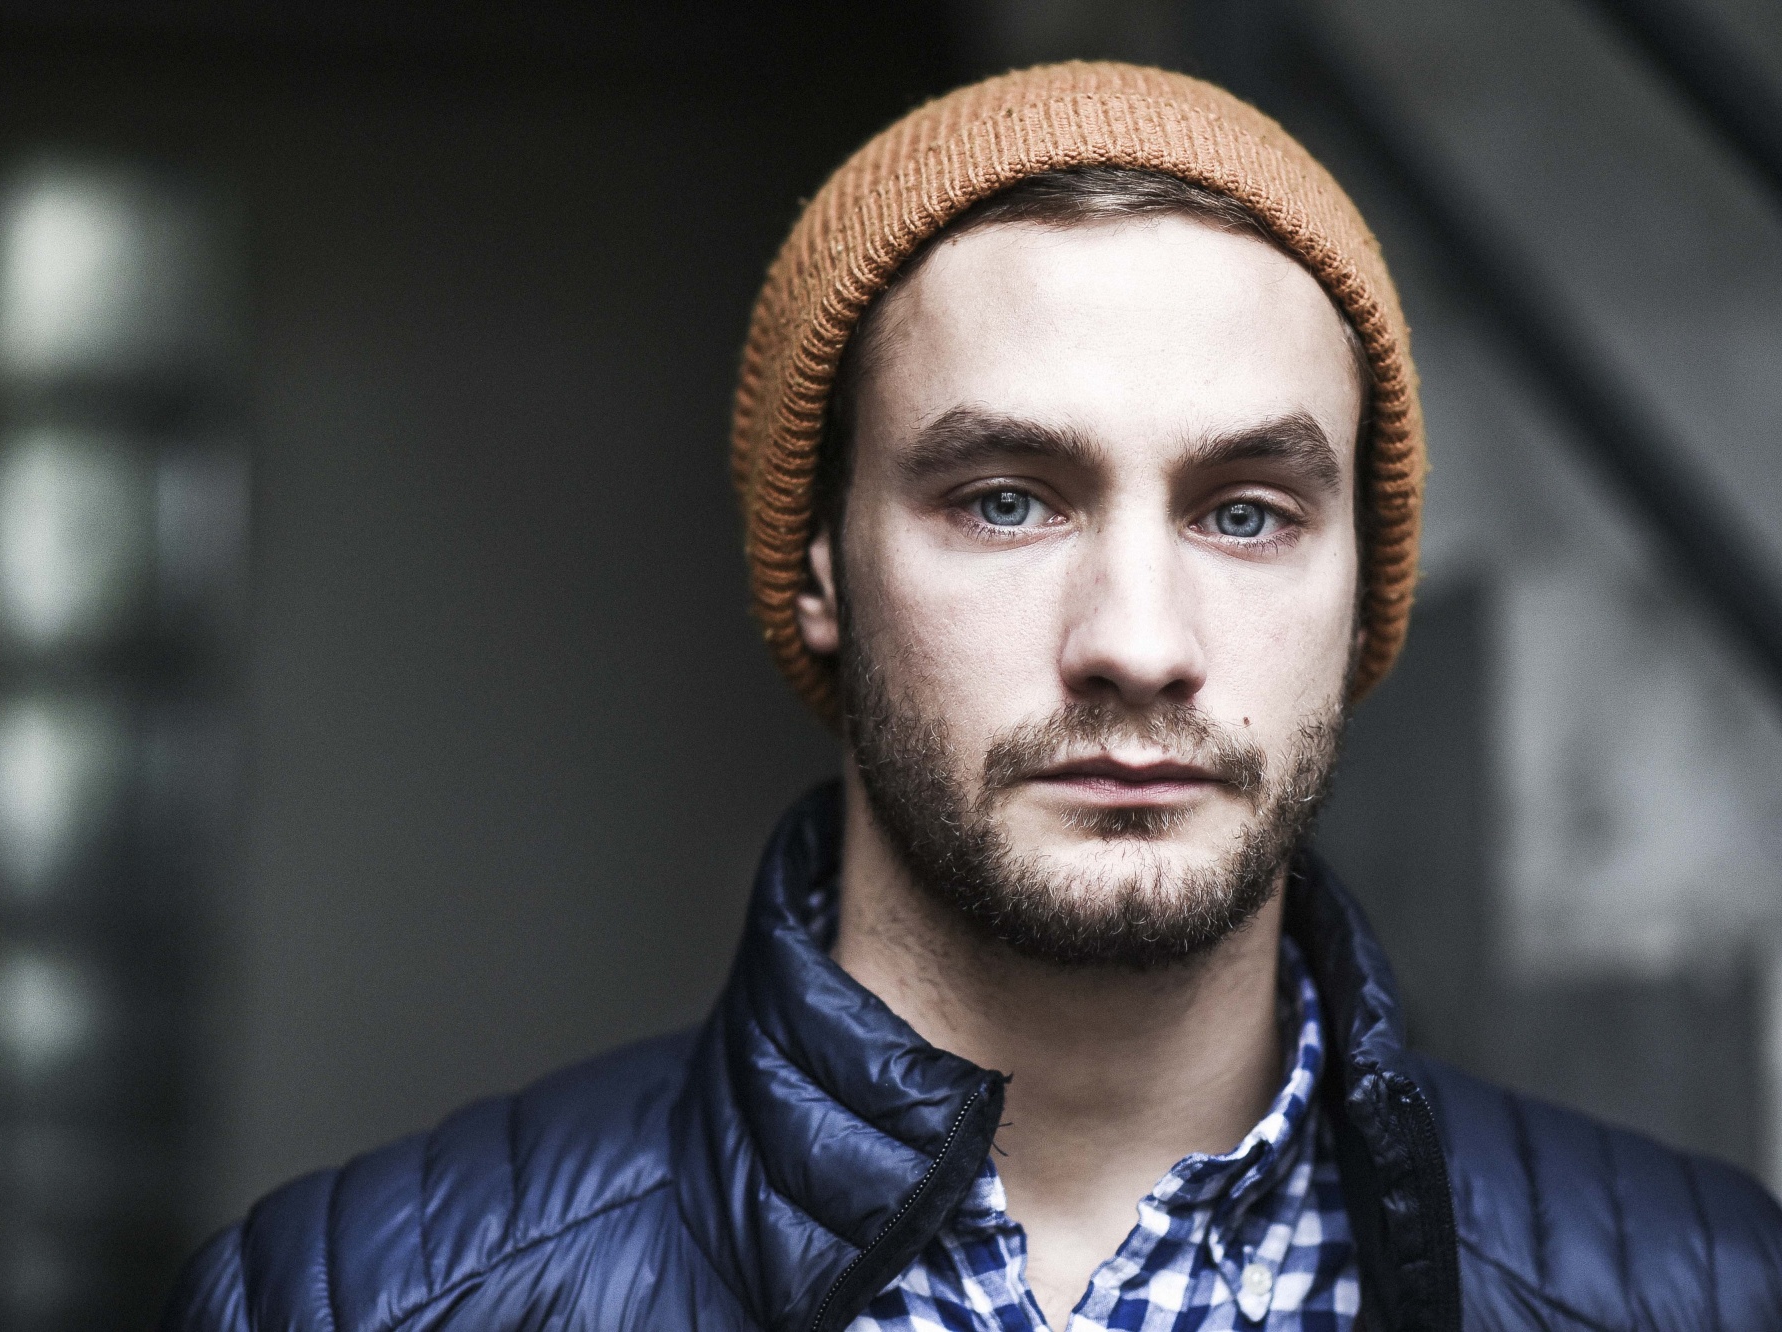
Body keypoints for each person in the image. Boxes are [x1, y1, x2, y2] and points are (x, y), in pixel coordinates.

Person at [161, 62, 1782, 1332]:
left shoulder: (1716, 1292)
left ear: (1364, 592)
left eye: (1245, 514)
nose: (1137, 641)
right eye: (1007, 500)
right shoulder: (354, 1303)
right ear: (821, 569)